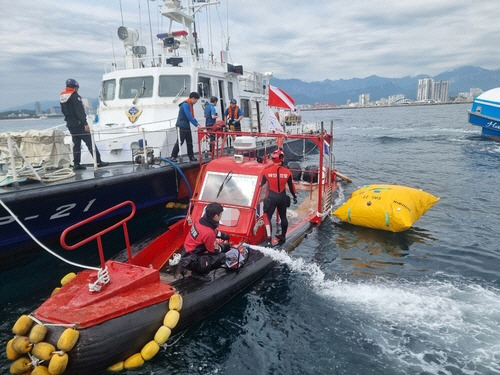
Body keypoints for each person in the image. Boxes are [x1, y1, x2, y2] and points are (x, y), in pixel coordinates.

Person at [60, 79, 108, 170]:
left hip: (70, 125)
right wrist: (85, 123)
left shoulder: (63, 97)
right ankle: (98, 161)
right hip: (79, 125)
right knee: (90, 142)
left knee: (76, 144)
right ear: (75, 87)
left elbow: (64, 111)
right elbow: (79, 111)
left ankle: (76, 164)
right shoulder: (75, 96)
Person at [180, 202, 231, 282]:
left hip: (186, 254)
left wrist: (224, 235)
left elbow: (212, 231)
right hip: (191, 260)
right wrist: (225, 247)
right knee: (221, 257)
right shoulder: (208, 233)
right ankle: (198, 273)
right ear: (216, 216)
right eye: (221, 215)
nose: (221, 216)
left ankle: (198, 266)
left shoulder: (201, 221)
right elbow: (213, 251)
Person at [261, 149, 297, 246]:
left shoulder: (266, 172)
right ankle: (283, 236)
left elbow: (261, 185)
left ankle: (268, 239)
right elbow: (291, 187)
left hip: (271, 198)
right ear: (281, 159)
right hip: (282, 197)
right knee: (283, 217)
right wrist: (294, 197)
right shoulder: (288, 172)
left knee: (267, 217)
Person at [170, 91, 200, 162]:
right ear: (193, 98)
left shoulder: (190, 105)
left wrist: (197, 124)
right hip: (181, 125)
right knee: (180, 141)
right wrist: (196, 125)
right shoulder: (185, 105)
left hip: (186, 125)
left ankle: (191, 156)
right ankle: (173, 156)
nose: (196, 102)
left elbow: (192, 117)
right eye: (196, 100)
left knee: (189, 141)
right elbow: (189, 116)